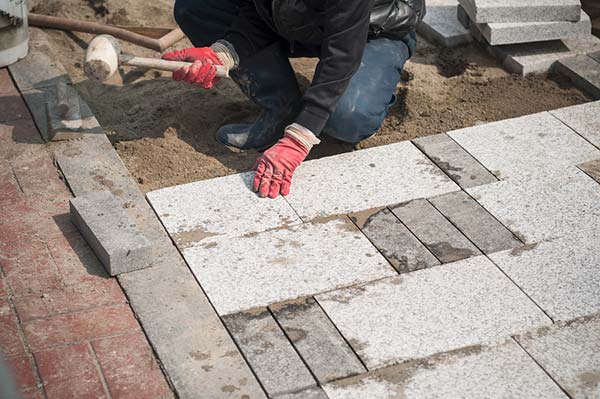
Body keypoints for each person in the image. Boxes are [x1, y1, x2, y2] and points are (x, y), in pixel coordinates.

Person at [163, 0, 425, 198]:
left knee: (347, 118)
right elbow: (255, 10)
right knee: (196, 6)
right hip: (301, 20)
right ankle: (281, 107)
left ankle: (373, 91)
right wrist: (223, 53)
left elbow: (342, 53)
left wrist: (298, 139)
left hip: (372, 28)